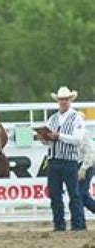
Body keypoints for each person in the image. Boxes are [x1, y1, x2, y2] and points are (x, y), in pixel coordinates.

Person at [38, 86, 86, 231]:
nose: (63, 102)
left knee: (74, 194)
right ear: (58, 101)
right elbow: (46, 141)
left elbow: (78, 139)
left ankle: (78, 224)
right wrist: (43, 137)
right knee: (54, 194)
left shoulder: (76, 117)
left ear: (70, 100)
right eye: (61, 99)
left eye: (65, 99)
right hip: (54, 160)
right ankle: (59, 224)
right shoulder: (52, 118)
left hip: (69, 160)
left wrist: (59, 136)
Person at [76, 111, 95, 213]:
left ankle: (79, 223)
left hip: (86, 165)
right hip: (84, 164)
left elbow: (90, 152)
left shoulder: (83, 133)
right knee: (82, 194)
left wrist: (83, 168)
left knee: (79, 194)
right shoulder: (80, 133)